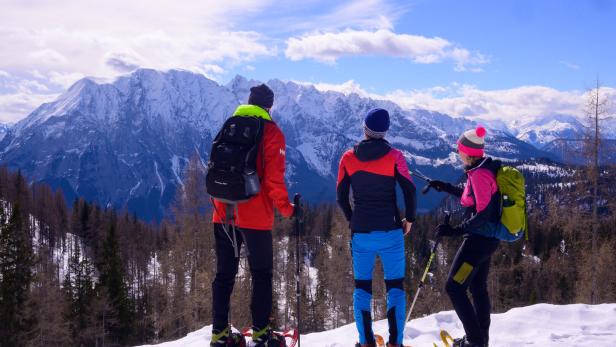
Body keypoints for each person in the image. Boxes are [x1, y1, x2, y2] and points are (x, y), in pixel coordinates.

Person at [210, 84, 295, 347]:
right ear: (269, 106)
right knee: (261, 274)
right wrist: (287, 209)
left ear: (249, 102)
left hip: (223, 211)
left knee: (224, 275)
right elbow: (273, 180)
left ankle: (220, 336)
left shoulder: (230, 125)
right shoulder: (271, 132)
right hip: (255, 217)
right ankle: (261, 334)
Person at [336, 108, 417, 347]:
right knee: (395, 288)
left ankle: (366, 342)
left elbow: (341, 197)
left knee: (362, 289)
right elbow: (410, 191)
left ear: (365, 129)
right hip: (391, 231)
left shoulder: (347, 157)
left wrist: (353, 219)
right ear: (385, 132)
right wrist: (409, 219)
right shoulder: (395, 156)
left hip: (362, 233)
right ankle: (396, 342)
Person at [426, 126, 501, 347]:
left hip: (477, 242)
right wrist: (446, 187)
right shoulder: (481, 169)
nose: (458, 155)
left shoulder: (478, 174)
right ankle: (480, 340)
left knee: (454, 287)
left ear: (467, 152)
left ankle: (475, 341)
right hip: (486, 241)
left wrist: (456, 230)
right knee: (477, 288)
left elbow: (484, 212)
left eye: (460, 151)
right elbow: (474, 199)